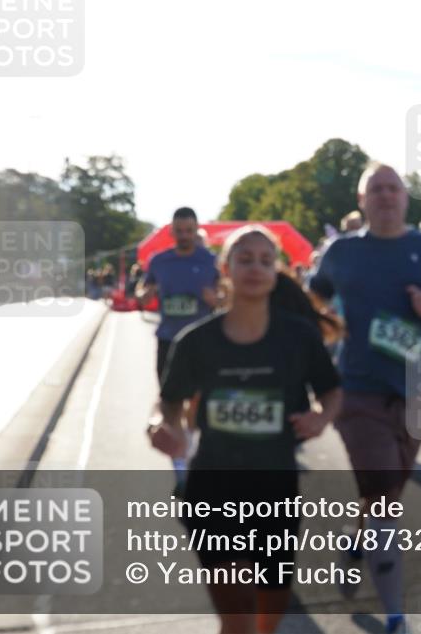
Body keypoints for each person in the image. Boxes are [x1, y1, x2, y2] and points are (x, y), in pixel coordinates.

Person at [149, 225, 342, 634]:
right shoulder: (195, 342)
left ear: (278, 272)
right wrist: (162, 426)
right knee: (236, 616)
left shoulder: (298, 338)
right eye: (245, 259)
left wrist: (320, 418)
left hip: (275, 489)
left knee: (267, 615)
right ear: (225, 268)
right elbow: (168, 401)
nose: (255, 267)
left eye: (265, 260)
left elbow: (332, 392)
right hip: (213, 488)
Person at [309, 161, 421, 634]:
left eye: (392, 188)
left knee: (389, 493)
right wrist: (329, 327)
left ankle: (355, 540)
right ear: (362, 201)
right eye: (375, 189)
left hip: (415, 390)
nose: (384, 196)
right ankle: (396, 614)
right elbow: (313, 299)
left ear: (404, 198)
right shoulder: (341, 252)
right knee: (382, 496)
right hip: (357, 390)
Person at [136, 207, 221, 383]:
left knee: (198, 400)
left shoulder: (211, 261)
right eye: (179, 231)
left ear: (196, 229)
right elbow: (142, 289)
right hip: (168, 339)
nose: (184, 236)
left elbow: (228, 296)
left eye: (189, 231)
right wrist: (144, 295)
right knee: (167, 399)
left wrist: (217, 299)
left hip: (202, 340)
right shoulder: (158, 261)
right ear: (171, 231)